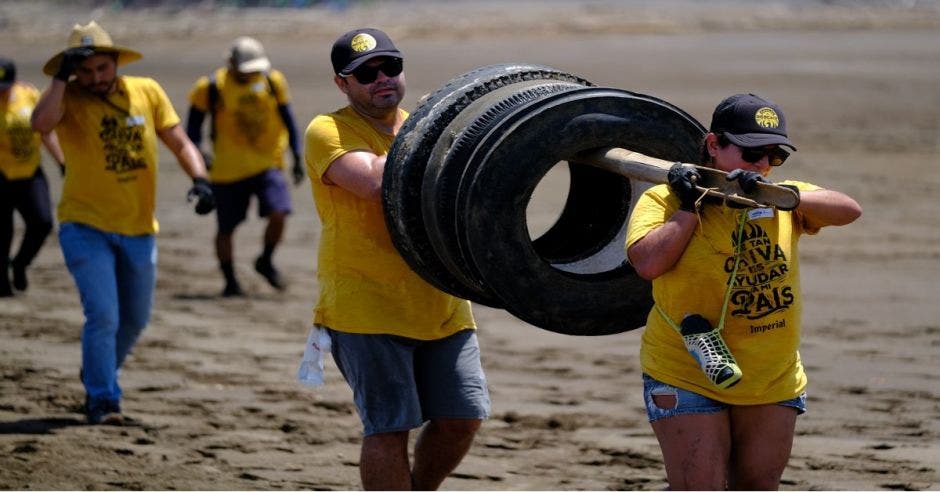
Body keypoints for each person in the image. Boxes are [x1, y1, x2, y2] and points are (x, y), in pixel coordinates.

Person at [626, 93, 862, 490]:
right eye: (752, 152)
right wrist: (689, 207)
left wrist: (787, 196)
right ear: (715, 145)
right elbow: (648, 264)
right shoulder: (663, 199)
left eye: (774, 155)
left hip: (771, 376)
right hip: (685, 371)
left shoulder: (782, 197)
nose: (763, 164)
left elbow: (848, 209)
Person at [304, 28, 490, 490]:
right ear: (341, 84)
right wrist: (433, 129)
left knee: (462, 418)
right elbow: (371, 182)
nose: (382, 78)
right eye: (366, 73)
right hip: (366, 307)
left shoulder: (424, 126)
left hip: (442, 304)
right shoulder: (328, 129)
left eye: (391, 67)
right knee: (389, 426)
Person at [31, 21, 216, 425]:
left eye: (103, 68)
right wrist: (62, 77)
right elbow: (41, 125)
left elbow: (178, 139)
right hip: (84, 225)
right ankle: (102, 398)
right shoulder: (68, 98)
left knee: (135, 319)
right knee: (104, 315)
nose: (95, 78)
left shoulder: (147, 91)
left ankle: (96, 370)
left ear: (116, 63)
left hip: (138, 228)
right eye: (86, 70)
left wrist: (200, 179)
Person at [185, 36, 303, 297]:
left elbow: (289, 119)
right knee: (226, 228)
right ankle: (230, 280)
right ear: (231, 63)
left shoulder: (273, 81)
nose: (251, 73)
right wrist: (199, 155)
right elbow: (192, 129)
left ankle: (266, 260)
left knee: (280, 212)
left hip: (268, 162)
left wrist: (296, 154)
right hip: (227, 170)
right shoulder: (211, 87)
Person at [1, 56, 65, 297]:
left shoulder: (29, 95)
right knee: (3, 232)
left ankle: (20, 263)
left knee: (42, 223)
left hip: (29, 172)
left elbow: (46, 131)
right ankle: (2, 283)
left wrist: (62, 162)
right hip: (1, 176)